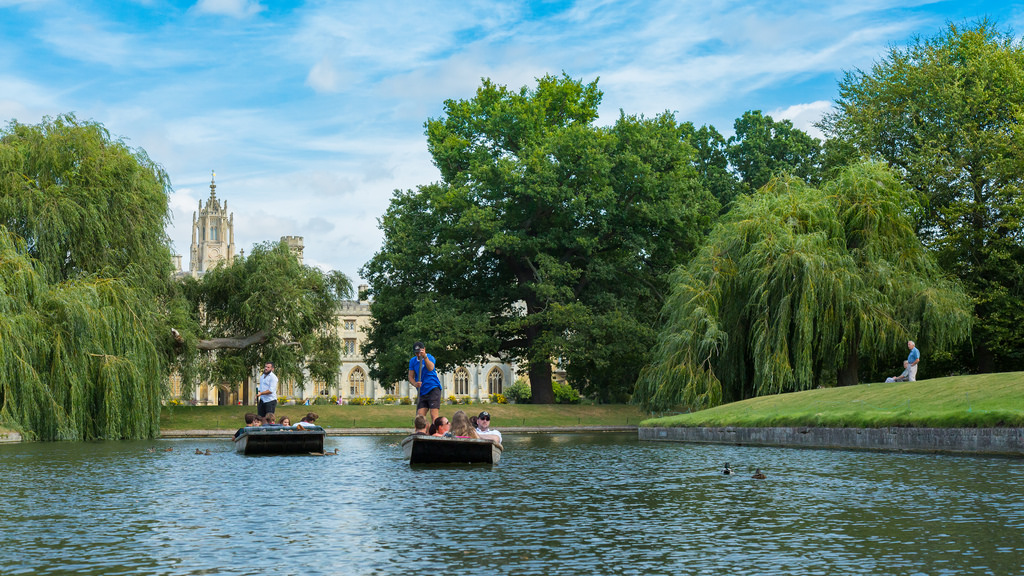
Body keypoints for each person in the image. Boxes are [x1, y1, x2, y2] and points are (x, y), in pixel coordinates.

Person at [408, 341, 442, 423]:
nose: (418, 355)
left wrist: (424, 357)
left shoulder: (430, 357)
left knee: (433, 415)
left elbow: (431, 368)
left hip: (433, 388)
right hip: (422, 392)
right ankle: (423, 433)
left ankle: (436, 433)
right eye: (416, 353)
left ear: (424, 350)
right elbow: (410, 377)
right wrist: (415, 384)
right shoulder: (413, 361)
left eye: (420, 352)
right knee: (420, 417)